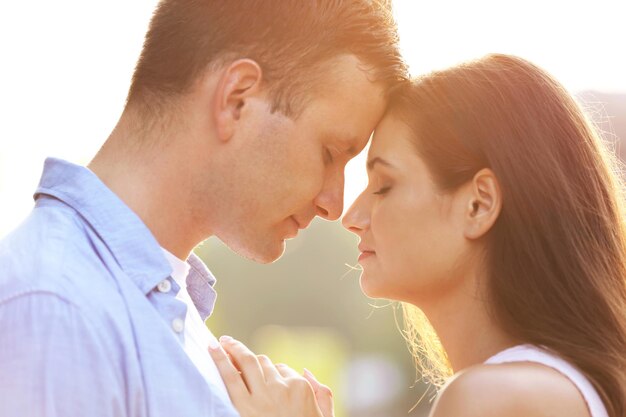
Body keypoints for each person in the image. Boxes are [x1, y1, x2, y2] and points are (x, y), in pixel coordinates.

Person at [0, 1, 407, 416]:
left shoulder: (160, 310)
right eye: (330, 153)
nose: (333, 205)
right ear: (236, 99)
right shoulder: (56, 310)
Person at [210, 54, 626, 417]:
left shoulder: (492, 400)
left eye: (384, 185)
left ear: (478, 205)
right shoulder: (562, 387)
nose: (350, 216)